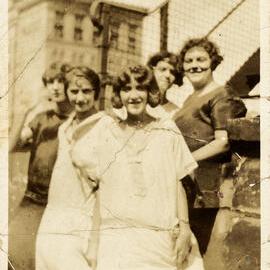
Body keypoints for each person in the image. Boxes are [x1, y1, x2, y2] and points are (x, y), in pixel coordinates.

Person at [73, 65, 204, 270]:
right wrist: (94, 242)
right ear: (118, 95)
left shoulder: (167, 128)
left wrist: (185, 228)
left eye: (140, 88)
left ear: (150, 92)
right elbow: (102, 191)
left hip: (159, 238)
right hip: (117, 240)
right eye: (126, 89)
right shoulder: (107, 133)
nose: (133, 96)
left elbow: (179, 181)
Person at [174, 38, 247, 254]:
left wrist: (184, 160)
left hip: (205, 189)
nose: (194, 65)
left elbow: (222, 143)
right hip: (185, 183)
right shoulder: (190, 98)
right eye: (188, 61)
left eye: (201, 59)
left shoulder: (222, 94)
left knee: (197, 249)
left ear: (212, 62)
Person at [35, 66, 104, 270]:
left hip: (82, 219)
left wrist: (94, 240)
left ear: (96, 93)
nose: (80, 98)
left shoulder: (105, 126)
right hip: (53, 214)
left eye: (87, 91)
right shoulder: (64, 128)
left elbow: (104, 186)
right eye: (74, 91)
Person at [8, 62, 72, 270]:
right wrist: (24, 111)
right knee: (14, 256)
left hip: (63, 205)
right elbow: (11, 147)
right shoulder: (41, 119)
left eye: (60, 81)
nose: (55, 86)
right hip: (33, 201)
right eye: (50, 82)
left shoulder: (78, 120)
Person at [147, 51, 193, 119]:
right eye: (163, 69)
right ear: (152, 70)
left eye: (172, 72)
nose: (168, 75)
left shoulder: (176, 112)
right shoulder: (139, 104)